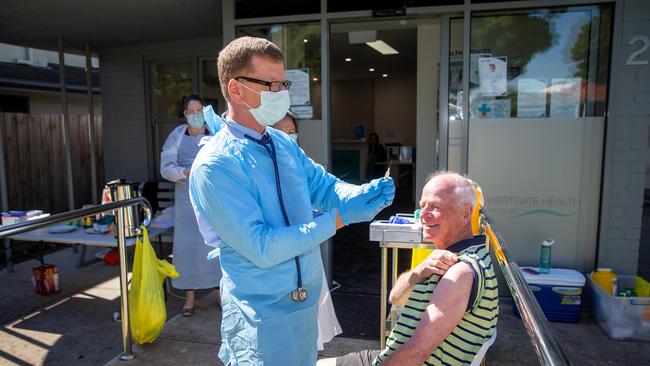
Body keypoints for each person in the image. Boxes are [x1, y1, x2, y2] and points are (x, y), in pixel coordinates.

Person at [189, 36, 395, 365]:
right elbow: (262, 246)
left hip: (303, 304)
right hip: (260, 316)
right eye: (270, 84)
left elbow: (325, 188)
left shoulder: (282, 144)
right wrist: (339, 219)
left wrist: (362, 194)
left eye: (283, 83)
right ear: (236, 89)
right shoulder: (216, 165)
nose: (281, 93)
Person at [319, 172, 498, 366]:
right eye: (422, 206)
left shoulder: (460, 272)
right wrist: (419, 271)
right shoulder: (449, 257)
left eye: (436, 206)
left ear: (465, 213)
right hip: (386, 355)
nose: (424, 215)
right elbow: (395, 298)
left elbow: (415, 354)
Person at [272, 112, 343, 351]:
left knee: (310, 329)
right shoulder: (261, 169)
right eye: (282, 133)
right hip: (278, 255)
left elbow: (321, 194)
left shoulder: (302, 164)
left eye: (292, 132)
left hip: (306, 251)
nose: (289, 137)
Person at [160, 94, 222, 317]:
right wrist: (185, 172)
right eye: (191, 112)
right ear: (184, 114)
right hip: (186, 201)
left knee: (215, 246)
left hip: (212, 200)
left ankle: (220, 294)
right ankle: (189, 297)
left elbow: (226, 161)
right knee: (187, 249)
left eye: (199, 111)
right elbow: (166, 167)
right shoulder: (177, 136)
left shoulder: (216, 134)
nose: (195, 116)